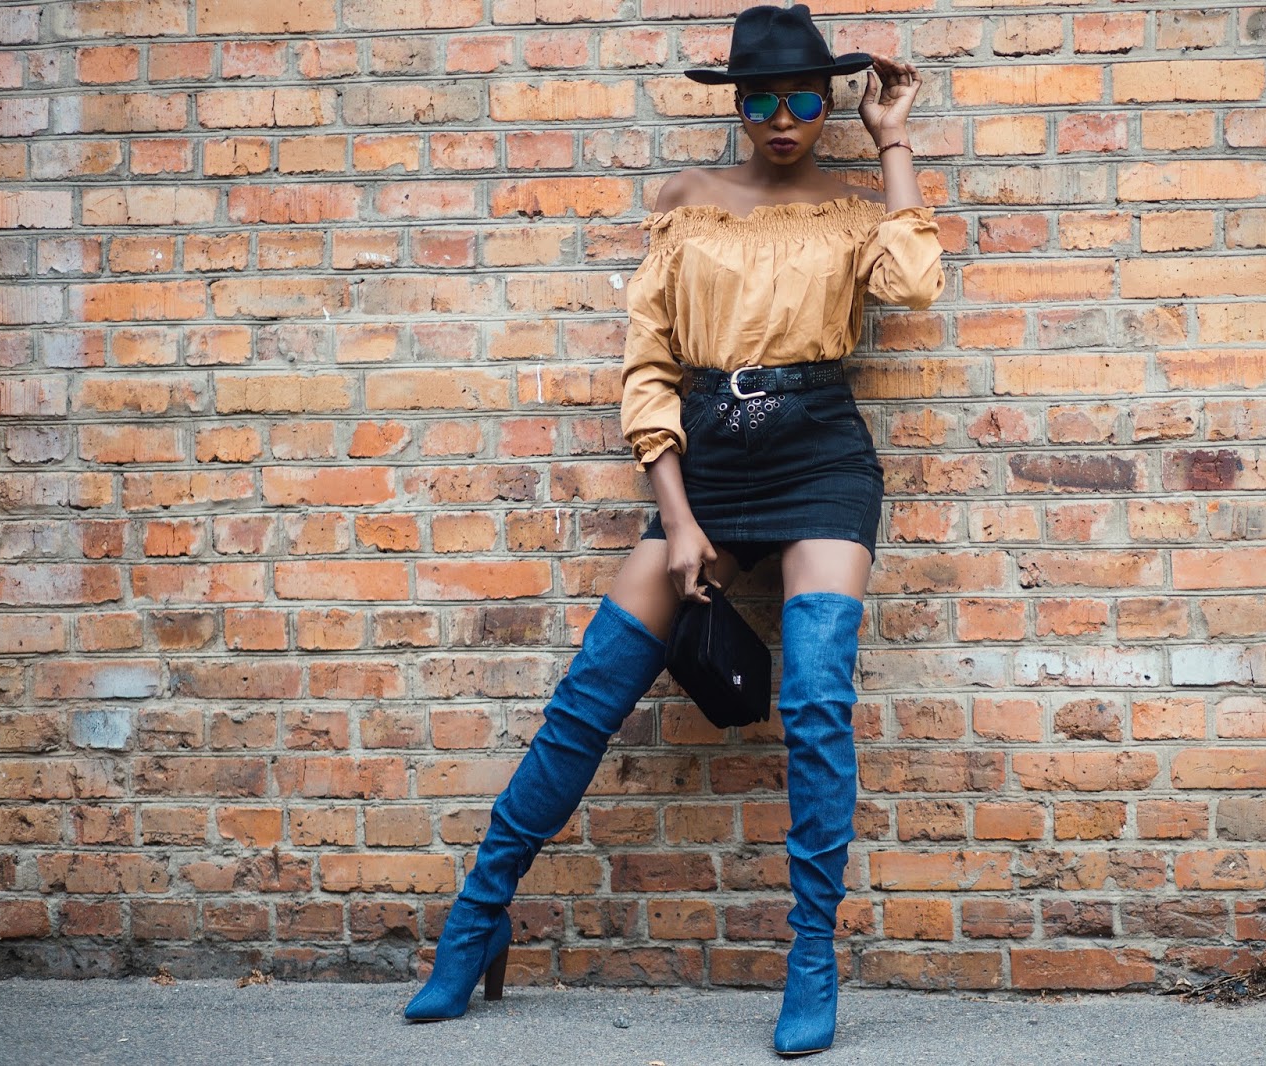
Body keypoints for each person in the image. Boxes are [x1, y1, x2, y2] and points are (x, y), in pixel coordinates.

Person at [404, 4, 944, 1055]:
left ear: (828, 102)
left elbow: (913, 281)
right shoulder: (687, 203)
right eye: (760, 100)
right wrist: (680, 520)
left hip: (821, 457)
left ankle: (810, 958)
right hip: (707, 464)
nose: (781, 118)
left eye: (803, 99)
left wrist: (893, 142)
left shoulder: (850, 210)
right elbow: (649, 365)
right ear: (736, 105)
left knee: (818, 700)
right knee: (588, 698)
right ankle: (477, 918)